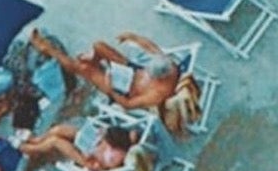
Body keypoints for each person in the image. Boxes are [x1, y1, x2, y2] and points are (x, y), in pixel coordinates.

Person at [31, 29, 181, 112]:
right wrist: (133, 37)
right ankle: (94, 62)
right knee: (99, 46)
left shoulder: (157, 94)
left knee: (82, 68)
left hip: (122, 89)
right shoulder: (167, 64)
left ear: (160, 78)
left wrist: (111, 89)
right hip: (130, 71)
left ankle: (48, 49)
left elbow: (128, 104)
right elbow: (150, 47)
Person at [18, 120, 136, 171]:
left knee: (55, 141)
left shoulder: (114, 158)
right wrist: (101, 136)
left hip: (86, 159)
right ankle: (36, 140)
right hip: (93, 142)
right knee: (59, 130)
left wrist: (90, 159)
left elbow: (98, 167)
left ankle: (32, 149)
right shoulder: (123, 140)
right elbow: (133, 134)